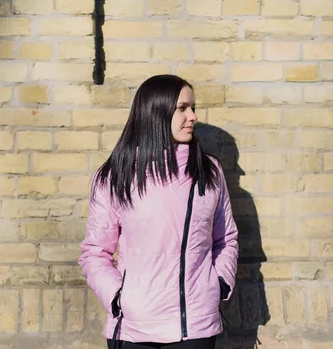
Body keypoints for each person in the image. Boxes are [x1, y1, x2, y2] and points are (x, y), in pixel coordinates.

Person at [78, 74, 239, 349]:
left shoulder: (209, 172)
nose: (193, 116)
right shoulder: (115, 176)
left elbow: (226, 240)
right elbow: (95, 252)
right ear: (156, 112)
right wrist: (118, 297)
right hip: (134, 327)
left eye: (192, 107)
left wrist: (219, 284)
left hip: (195, 326)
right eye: (183, 108)